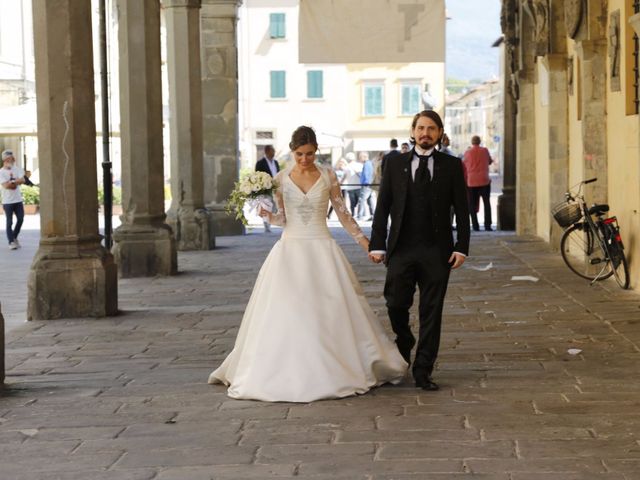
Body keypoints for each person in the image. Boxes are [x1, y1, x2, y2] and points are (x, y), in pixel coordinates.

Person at [209, 126, 407, 402]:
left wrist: (367, 245)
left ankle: (337, 365)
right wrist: (267, 215)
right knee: (289, 311)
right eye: (300, 154)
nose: (305, 159)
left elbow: (343, 214)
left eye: (310, 154)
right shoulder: (279, 179)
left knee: (330, 310)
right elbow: (282, 220)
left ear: (316, 150)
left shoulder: (328, 175)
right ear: (292, 151)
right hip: (290, 251)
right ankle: (286, 370)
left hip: (322, 248)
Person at [368, 110, 470, 391]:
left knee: (431, 311)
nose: (426, 133)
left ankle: (423, 369)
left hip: (438, 251)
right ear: (413, 131)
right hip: (401, 248)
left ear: (439, 133)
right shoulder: (394, 162)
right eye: (421, 128)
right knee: (395, 303)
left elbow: (462, 209)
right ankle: (405, 339)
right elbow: (383, 206)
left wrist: (462, 247)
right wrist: (377, 244)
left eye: (432, 129)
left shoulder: (451, 165)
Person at [463, 135, 493, 232]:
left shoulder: (467, 152)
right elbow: (489, 161)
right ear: (479, 141)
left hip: (471, 182)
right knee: (487, 203)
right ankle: (487, 225)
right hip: (484, 180)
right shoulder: (485, 151)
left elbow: (464, 164)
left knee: (472, 204)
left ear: (472, 142)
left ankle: (475, 226)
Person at [0, 150, 27, 250]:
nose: (12, 159)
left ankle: (14, 237)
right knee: (9, 222)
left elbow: (23, 180)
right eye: (10, 158)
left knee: (20, 219)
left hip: (18, 200)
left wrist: (12, 182)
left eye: (12, 158)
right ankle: (11, 242)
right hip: (7, 202)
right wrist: (16, 182)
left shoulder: (17, 169)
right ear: (5, 159)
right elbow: (7, 186)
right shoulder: (1, 172)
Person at [254, 145, 279, 232]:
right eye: (273, 151)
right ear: (267, 152)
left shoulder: (275, 162)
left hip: (275, 188)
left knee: (275, 206)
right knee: (266, 207)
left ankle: (272, 221)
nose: (274, 153)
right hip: (265, 189)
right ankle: (267, 226)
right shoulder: (260, 163)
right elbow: (257, 176)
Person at [357, 151, 375, 221]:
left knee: (361, 200)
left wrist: (366, 183)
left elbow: (367, 174)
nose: (359, 159)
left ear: (364, 157)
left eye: (360, 157)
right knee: (370, 200)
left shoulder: (367, 164)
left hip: (366, 184)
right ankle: (373, 215)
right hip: (369, 184)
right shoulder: (369, 163)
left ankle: (360, 216)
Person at [342, 151, 361, 216]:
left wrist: (340, 183)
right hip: (358, 186)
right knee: (358, 201)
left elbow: (344, 177)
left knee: (352, 202)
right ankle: (359, 214)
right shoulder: (359, 165)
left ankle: (353, 214)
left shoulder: (346, 167)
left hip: (350, 187)